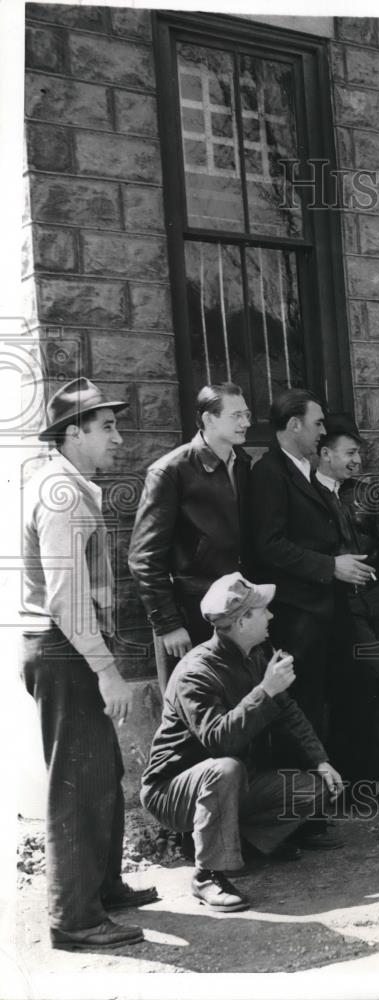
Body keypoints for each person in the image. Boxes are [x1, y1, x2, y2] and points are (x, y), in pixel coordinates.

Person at [21, 378, 157, 951]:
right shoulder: (61, 492)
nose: (118, 439)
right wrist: (105, 669)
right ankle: (74, 919)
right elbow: (65, 595)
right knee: (77, 784)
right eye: (106, 428)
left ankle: (101, 887)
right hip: (64, 649)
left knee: (100, 771)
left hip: (68, 647)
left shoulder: (70, 485)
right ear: (73, 434)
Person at [140, 573, 344, 912]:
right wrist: (264, 691)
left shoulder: (254, 654)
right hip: (172, 791)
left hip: (231, 783)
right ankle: (207, 874)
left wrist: (320, 760)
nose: (271, 616)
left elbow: (288, 711)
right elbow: (219, 742)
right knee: (225, 768)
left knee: (313, 787)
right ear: (242, 620)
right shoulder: (195, 672)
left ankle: (239, 846)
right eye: (263, 611)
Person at [250, 389, 374, 734]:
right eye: (317, 423)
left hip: (324, 607)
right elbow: (269, 545)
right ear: (293, 424)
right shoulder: (270, 473)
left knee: (339, 698)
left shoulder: (303, 469)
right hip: (297, 614)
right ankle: (307, 785)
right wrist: (331, 566)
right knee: (304, 704)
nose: (323, 431)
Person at [128, 383, 252, 692]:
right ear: (209, 420)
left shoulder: (244, 465)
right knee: (192, 711)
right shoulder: (170, 471)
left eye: (247, 415)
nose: (246, 423)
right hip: (192, 612)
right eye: (236, 415)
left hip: (236, 610)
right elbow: (144, 558)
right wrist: (168, 624)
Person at [312, 416, 379, 791]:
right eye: (350, 454)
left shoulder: (364, 494)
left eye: (359, 454)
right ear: (325, 453)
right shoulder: (308, 494)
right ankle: (369, 778)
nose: (357, 462)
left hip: (376, 597)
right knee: (375, 673)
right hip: (337, 607)